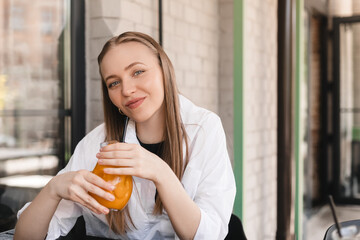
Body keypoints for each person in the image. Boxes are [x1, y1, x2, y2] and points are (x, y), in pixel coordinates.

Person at [14, 31, 236, 240]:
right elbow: (24, 236)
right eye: (114, 82)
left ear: (164, 70)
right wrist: (53, 190)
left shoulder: (203, 129)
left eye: (137, 72)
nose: (127, 90)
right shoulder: (96, 144)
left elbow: (209, 235)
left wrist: (160, 172)